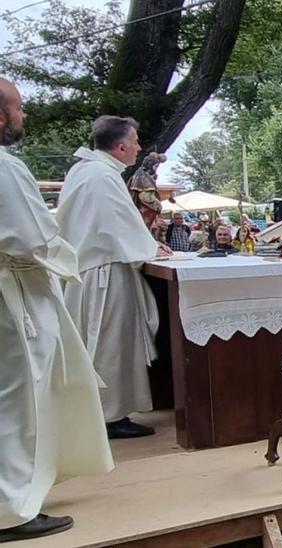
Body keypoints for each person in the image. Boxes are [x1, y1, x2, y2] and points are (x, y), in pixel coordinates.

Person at [0, 78, 113, 541]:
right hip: (13, 295)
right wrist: (70, 260)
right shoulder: (4, 168)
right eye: (19, 108)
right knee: (19, 400)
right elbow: (30, 237)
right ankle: (12, 508)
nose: (24, 116)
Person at [57, 115, 170, 439]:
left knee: (103, 344)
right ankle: (109, 416)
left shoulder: (85, 170)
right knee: (111, 345)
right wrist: (150, 248)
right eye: (134, 141)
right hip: (105, 273)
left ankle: (104, 412)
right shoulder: (101, 177)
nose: (137, 147)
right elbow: (116, 226)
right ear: (120, 146)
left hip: (90, 271)